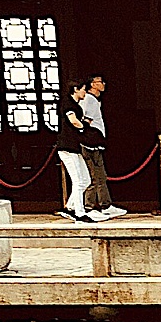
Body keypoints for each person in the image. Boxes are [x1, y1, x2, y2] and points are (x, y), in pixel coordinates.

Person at [80, 72, 127, 220]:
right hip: (90, 143)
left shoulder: (93, 100)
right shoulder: (90, 100)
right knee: (94, 176)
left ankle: (104, 204)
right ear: (93, 84)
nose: (103, 84)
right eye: (100, 82)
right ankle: (90, 206)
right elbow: (85, 121)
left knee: (100, 175)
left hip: (95, 142)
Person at [56, 83, 94, 223]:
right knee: (78, 180)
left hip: (74, 148)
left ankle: (70, 207)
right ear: (75, 90)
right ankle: (79, 212)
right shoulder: (67, 104)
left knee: (86, 180)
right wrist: (84, 126)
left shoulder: (76, 105)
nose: (85, 92)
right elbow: (73, 121)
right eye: (83, 89)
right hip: (67, 148)